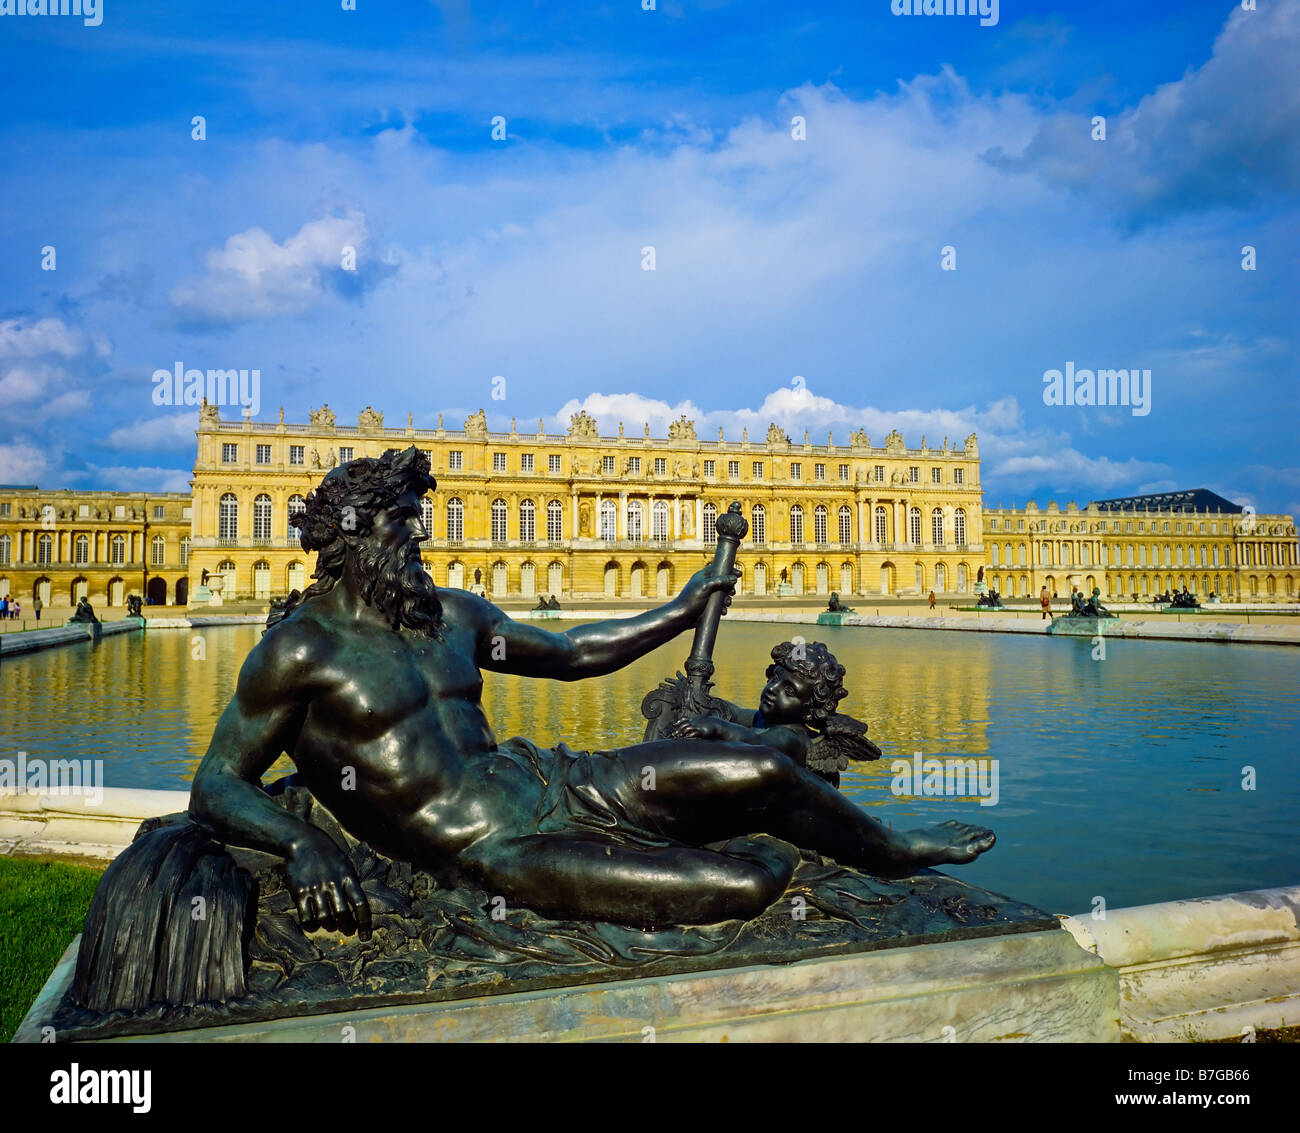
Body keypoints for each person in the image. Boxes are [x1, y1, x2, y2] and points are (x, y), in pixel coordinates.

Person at [190, 447, 994, 933]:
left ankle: (894, 850)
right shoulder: (299, 651)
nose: (422, 534)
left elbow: (575, 653)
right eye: (405, 521)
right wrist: (304, 840)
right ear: (359, 529)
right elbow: (217, 781)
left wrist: (682, 608)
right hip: (493, 849)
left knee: (769, 774)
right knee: (746, 883)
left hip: (555, 779)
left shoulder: (450, 617)